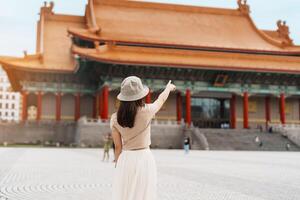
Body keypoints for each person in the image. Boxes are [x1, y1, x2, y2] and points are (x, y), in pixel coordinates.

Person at [110, 76, 176, 200]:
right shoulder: (147, 111)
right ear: (140, 95)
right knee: (143, 194)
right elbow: (160, 100)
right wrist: (168, 88)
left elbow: (118, 146)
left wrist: (118, 164)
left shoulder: (115, 118)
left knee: (126, 194)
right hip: (144, 158)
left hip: (126, 159)